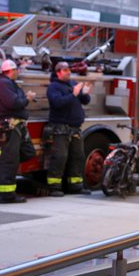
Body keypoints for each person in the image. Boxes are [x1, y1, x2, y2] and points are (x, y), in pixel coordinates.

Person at [0, 59, 37, 203]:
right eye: (17, 70)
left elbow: (16, 101)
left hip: (16, 126)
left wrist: (23, 99)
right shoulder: (3, 84)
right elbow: (13, 103)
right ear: (11, 70)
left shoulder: (9, 84)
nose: (18, 72)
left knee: (28, 152)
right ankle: (7, 195)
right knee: (10, 161)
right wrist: (27, 98)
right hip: (9, 127)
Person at [45, 62, 93, 197]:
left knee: (78, 156)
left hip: (75, 128)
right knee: (60, 157)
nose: (68, 72)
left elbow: (84, 101)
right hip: (61, 128)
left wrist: (84, 94)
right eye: (65, 70)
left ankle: (76, 185)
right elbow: (58, 103)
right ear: (58, 72)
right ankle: (54, 187)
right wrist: (74, 94)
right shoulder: (53, 87)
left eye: (69, 69)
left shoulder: (72, 84)